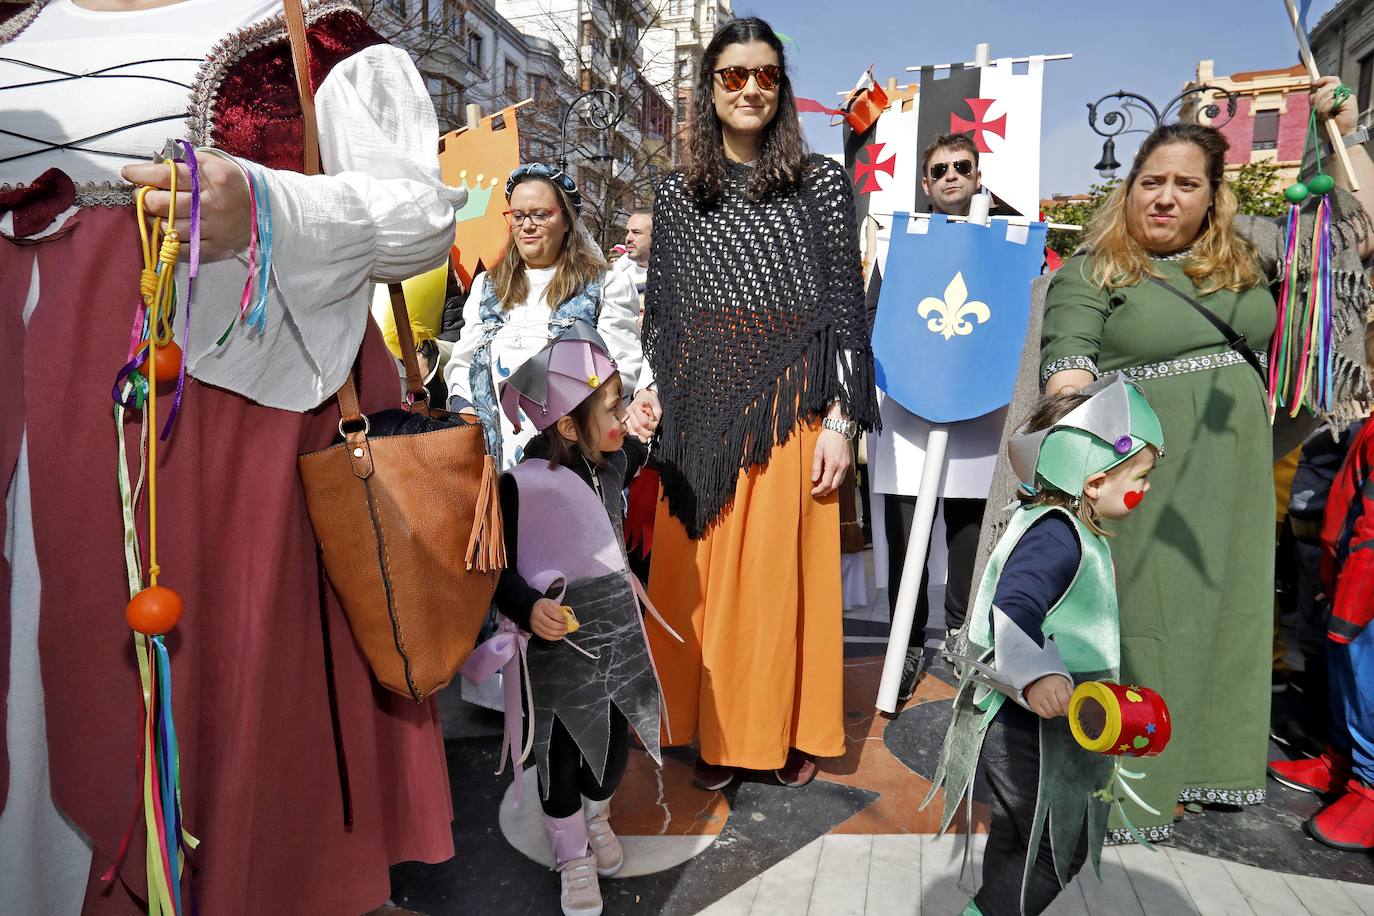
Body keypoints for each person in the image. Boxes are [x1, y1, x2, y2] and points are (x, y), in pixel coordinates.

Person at [0, 1, 463, 912]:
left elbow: (419, 218)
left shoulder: (306, 27)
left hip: (211, 426)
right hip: (19, 401)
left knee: (169, 731)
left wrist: (261, 207)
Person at [1030, 81, 1374, 843]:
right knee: (1148, 628)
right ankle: (1135, 780)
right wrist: (1076, 411)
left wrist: (1343, 137)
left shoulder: (1248, 260)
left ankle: (1209, 761)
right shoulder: (1097, 270)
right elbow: (1068, 361)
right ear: (1129, 191)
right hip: (1143, 476)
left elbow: (1355, 239)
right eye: (1150, 182)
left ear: (1213, 196)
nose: (1164, 198)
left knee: (1230, 614)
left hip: (1239, 474)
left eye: (1186, 184)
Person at [633, 16, 879, 791]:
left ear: (782, 86)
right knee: (699, 584)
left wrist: (843, 418)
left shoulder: (822, 185)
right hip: (695, 404)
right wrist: (653, 390)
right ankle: (708, 730)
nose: (749, 89)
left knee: (774, 589)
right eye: (732, 75)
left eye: (765, 75)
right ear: (708, 89)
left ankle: (777, 730)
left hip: (788, 406)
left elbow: (845, 310)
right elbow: (664, 314)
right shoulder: (674, 195)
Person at [928, 375, 1164, 916]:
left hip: (1031, 727)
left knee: (1020, 838)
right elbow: (1014, 605)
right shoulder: (1059, 535)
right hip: (1029, 731)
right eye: (1141, 477)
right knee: (1060, 849)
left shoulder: (1054, 524)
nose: (1147, 488)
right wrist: (1037, 672)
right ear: (1095, 482)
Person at [485, 322, 669, 915]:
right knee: (561, 754)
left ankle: (598, 811)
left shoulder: (609, 456)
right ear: (568, 425)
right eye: (611, 409)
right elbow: (498, 571)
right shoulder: (524, 485)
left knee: (612, 750)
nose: (620, 421)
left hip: (612, 636)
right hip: (556, 650)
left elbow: (633, 442)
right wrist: (527, 606)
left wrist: (646, 413)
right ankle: (572, 854)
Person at [872, 130, 1002, 703]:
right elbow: (875, 315)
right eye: (940, 169)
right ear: (926, 183)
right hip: (908, 403)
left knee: (969, 532)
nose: (951, 176)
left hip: (979, 405)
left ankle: (959, 634)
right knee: (907, 535)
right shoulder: (902, 243)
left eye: (962, 167)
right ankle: (908, 641)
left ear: (978, 177)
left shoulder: (1005, 241)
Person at [445, 163, 645, 470]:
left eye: (540, 214)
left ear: (566, 220)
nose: (527, 225)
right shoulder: (488, 286)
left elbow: (622, 365)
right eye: (518, 216)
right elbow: (464, 359)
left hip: (572, 455)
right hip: (492, 453)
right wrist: (465, 407)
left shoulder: (605, 285)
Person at [1268, 412, 1374, 851]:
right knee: (1342, 679)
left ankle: (1369, 790)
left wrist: (1355, 592)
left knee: (1367, 686)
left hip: (1365, 585)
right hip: (1346, 569)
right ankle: (1343, 763)